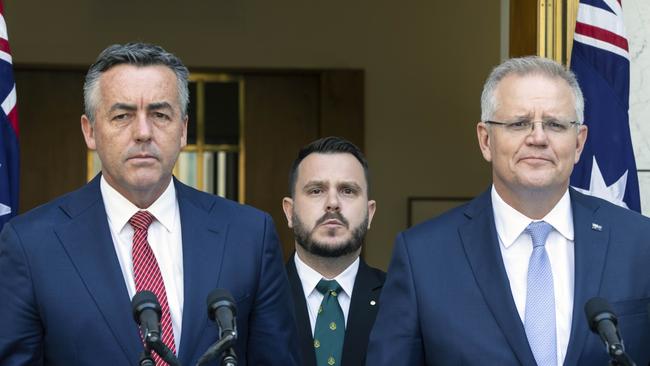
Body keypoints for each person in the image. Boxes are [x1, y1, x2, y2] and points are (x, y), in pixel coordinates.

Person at [0, 42, 300, 366]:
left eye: (159, 114)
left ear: (183, 129)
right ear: (90, 131)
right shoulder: (32, 245)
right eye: (122, 115)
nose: (143, 132)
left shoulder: (249, 235)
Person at [367, 56, 650, 365]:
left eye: (555, 124)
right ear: (485, 140)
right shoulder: (422, 256)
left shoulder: (639, 243)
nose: (538, 138)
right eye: (519, 123)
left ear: (579, 143)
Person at [282, 137, 385, 366]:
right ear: (290, 212)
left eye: (347, 190)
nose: (332, 203)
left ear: (370, 213)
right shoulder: (257, 299)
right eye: (316, 190)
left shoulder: (400, 300)